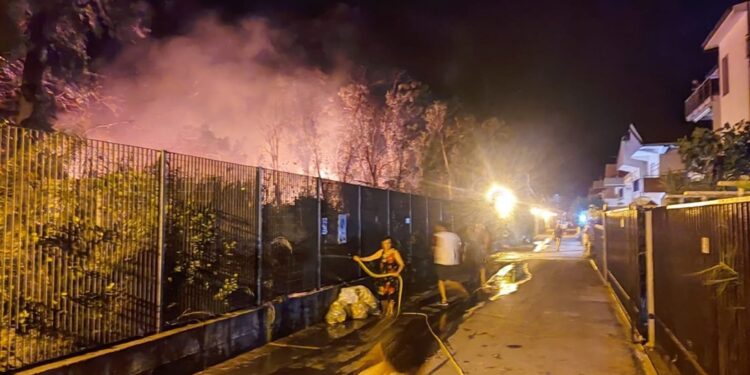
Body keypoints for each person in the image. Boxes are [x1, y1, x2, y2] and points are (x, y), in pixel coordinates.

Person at [354, 236, 405, 317]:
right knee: (381, 293)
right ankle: (384, 310)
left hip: (392, 277)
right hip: (382, 276)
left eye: (389, 243)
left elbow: (401, 264)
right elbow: (370, 258)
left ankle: (390, 310)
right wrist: (360, 259)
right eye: (385, 243)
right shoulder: (381, 252)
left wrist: (397, 272)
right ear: (382, 244)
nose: (387, 245)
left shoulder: (394, 252)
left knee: (391, 293)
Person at [433, 223, 469, 307]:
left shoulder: (438, 235)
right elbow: (460, 247)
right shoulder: (455, 236)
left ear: (442, 227)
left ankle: (461, 292)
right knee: (447, 280)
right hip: (453, 261)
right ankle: (445, 299)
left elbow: (434, 247)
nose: (435, 228)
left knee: (442, 281)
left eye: (437, 227)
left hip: (441, 261)